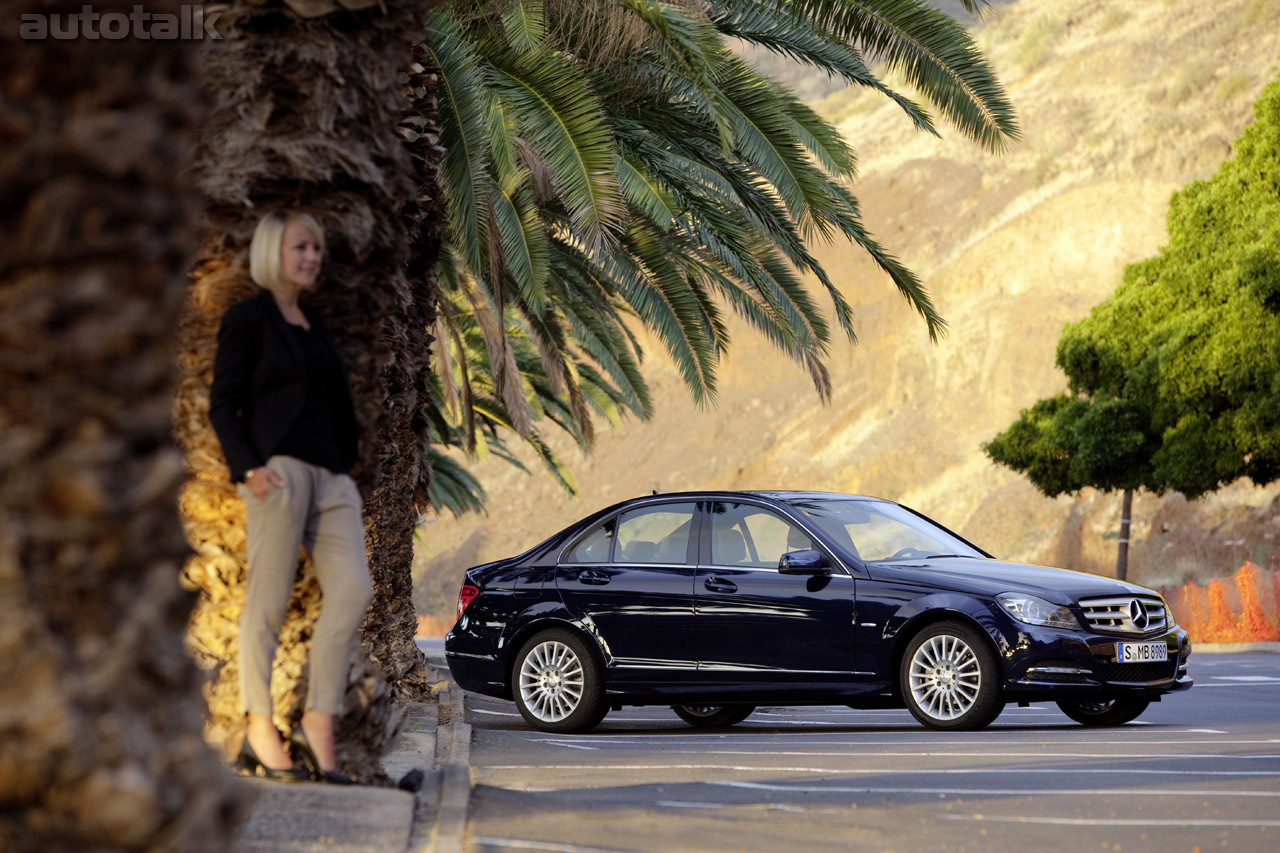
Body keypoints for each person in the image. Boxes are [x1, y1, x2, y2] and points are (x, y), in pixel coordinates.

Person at [209, 210, 370, 784]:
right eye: (302, 247)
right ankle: (259, 729)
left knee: (353, 591)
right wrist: (248, 469)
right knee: (268, 603)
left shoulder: (314, 323)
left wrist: (346, 468)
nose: (312, 257)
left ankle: (317, 721)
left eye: (316, 249)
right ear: (272, 251)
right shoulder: (248, 320)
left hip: (332, 479)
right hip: (279, 475)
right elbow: (222, 402)